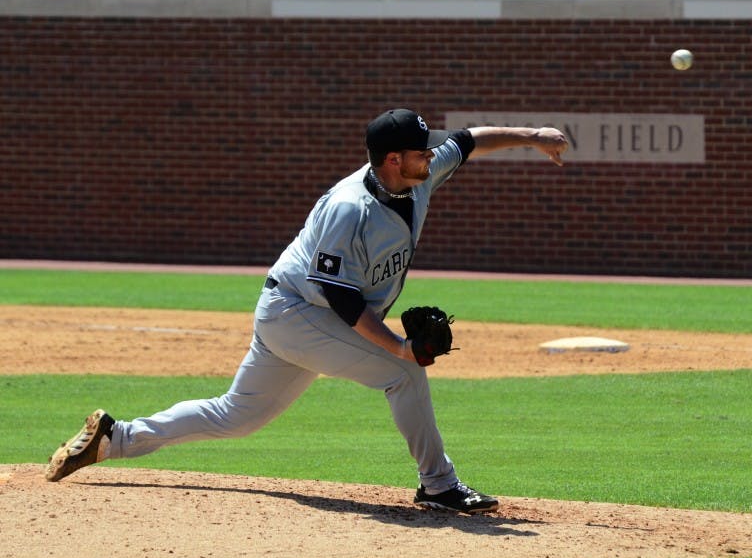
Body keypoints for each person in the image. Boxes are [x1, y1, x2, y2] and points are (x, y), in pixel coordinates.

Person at [45, 109, 569, 514]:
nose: (430, 156)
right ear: (393, 160)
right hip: (298, 313)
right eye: (419, 151)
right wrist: (401, 347)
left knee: (236, 416)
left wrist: (532, 135)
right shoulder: (349, 207)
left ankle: (114, 439)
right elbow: (342, 301)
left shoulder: (418, 175)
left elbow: (470, 140)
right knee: (404, 373)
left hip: (295, 312)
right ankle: (440, 485)